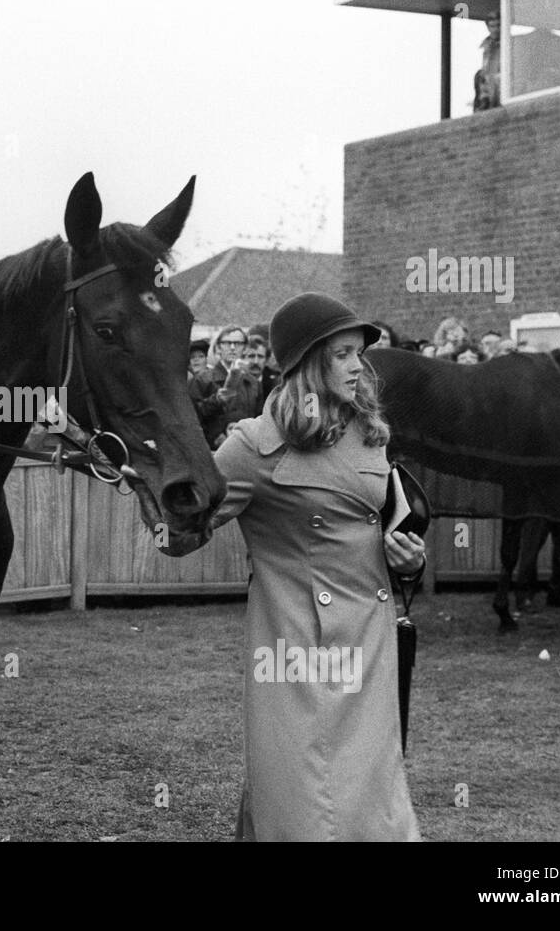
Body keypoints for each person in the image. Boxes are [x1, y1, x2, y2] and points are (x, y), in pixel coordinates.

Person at [210, 292, 425, 840]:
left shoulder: (367, 431)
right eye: (343, 354)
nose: (359, 366)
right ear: (307, 362)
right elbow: (180, 532)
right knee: (303, 789)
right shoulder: (253, 447)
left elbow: (373, 527)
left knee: (370, 790)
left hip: (369, 639)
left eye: (359, 353)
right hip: (298, 647)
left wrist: (406, 559)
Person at [189, 324, 260, 448]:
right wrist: (216, 401)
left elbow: (259, 418)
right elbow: (192, 416)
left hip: (246, 447)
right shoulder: (202, 379)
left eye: (238, 343)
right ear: (218, 348)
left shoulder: (253, 382)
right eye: (227, 343)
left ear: (245, 348)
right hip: (213, 449)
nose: (232, 348)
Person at [474, 11, 501, 112]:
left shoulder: (508, 42)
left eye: (498, 25)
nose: (496, 29)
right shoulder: (486, 44)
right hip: (488, 82)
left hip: (501, 83)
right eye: (492, 26)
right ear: (488, 27)